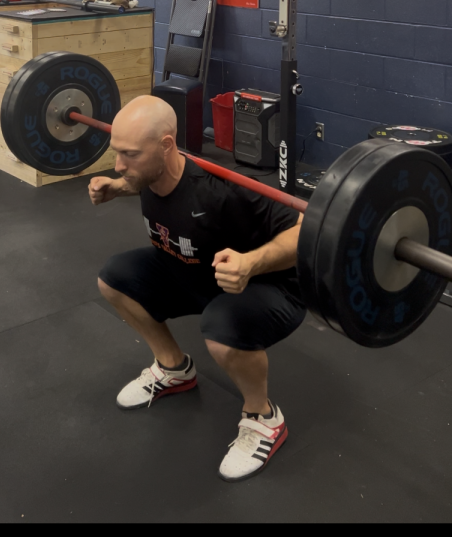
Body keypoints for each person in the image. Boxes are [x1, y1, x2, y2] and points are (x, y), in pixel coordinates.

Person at [91, 95, 305, 482]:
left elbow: (306, 227)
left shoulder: (221, 189)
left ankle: (264, 418)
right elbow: (135, 178)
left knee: (221, 328)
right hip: (193, 274)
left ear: (167, 146)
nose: (120, 165)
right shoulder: (149, 171)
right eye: (116, 153)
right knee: (114, 278)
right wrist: (116, 187)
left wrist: (251, 262)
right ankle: (174, 369)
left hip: (268, 285)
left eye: (130, 155)